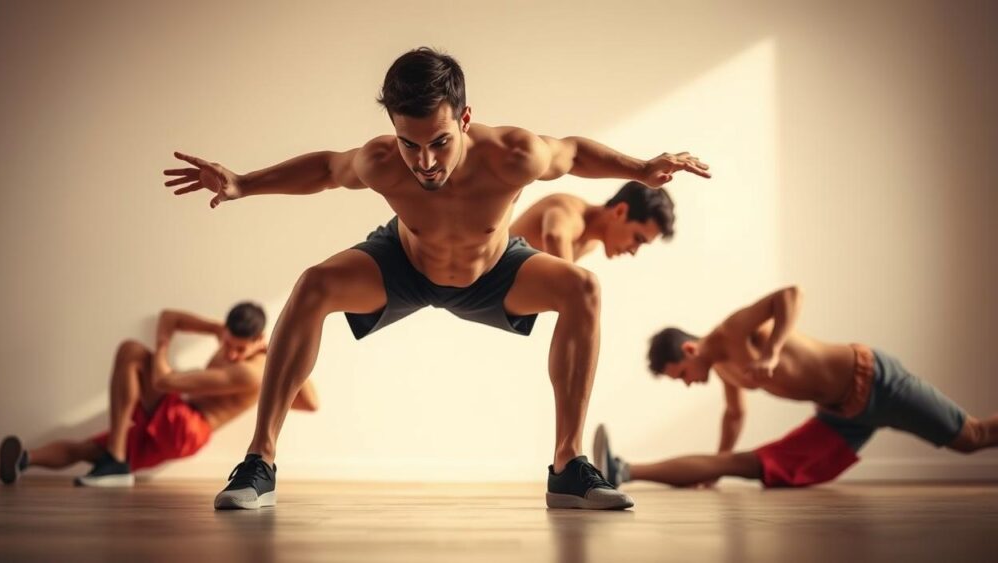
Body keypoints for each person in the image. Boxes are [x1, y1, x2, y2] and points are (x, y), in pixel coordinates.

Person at [163, 47, 710, 510]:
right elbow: (328, 169)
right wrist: (243, 183)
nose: (424, 161)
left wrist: (640, 169)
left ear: (465, 119)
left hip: (493, 271)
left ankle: (568, 465)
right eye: (410, 143)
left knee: (582, 287)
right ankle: (259, 461)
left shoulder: (513, 155)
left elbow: (572, 153)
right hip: (405, 264)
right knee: (314, 284)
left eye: (440, 142)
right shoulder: (381, 160)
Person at [592, 286, 998, 489]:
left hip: (875, 380)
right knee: (754, 464)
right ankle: (622, 470)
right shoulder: (726, 371)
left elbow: (791, 294)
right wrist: (716, 465)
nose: (687, 383)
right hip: (840, 417)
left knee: (970, 437)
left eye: (681, 374)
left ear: (689, 349)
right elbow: (734, 415)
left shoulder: (734, 332)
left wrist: (771, 350)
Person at [0, 302, 318, 487]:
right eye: (227, 344)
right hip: (171, 422)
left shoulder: (252, 371)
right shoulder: (231, 340)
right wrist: (214, 329)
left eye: (239, 349)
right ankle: (25, 460)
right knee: (89, 449)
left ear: (259, 339)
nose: (231, 353)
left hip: (187, 428)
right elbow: (168, 316)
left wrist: (282, 350)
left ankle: (116, 461)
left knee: (131, 351)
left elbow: (164, 382)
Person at [510, 181, 675, 261]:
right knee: (586, 287)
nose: (634, 251)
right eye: (637, 239)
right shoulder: (571, 211)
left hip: (503, 300)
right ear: (620, 211)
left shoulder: (590, 244)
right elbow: (555, 236)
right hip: (494, 271)